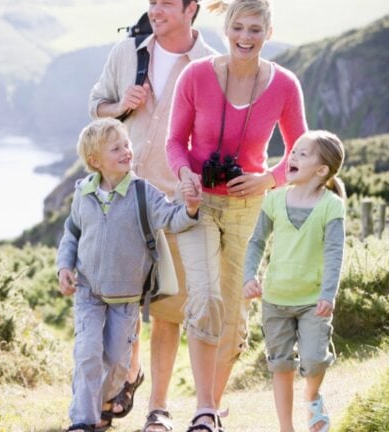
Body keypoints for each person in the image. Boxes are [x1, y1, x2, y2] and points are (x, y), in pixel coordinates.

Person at [165, 0, 307, 429]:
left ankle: (209, 409)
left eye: (255, 30)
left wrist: (267, 179)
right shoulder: (196, 76)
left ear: (268, 32)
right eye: (238, 28)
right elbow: (175, 142)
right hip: (199, 204)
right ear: (226, 28)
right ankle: (205, 408)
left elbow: (302, 153)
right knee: (205, 298)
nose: (246, 37)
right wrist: (186, 174)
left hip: (250, 207)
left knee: (233, 313)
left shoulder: (284, 85)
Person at [87, 1, 216, 430]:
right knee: (119, 301)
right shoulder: (127, 52)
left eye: (165, 2)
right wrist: (119, 104)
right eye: (152, 2)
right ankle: (125, 377)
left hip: (171, 204)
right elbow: (97, 107)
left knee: (167, 310)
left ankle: (156, 409)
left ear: (191, 7)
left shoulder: (209, 66)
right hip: (120, 200)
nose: (155, 9)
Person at [57, 118, 201, 432]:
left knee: (117, 362)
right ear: (95, 161)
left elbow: (169, 217)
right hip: (88, 293)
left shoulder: (142, 192)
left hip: (126, 298)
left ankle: (103, 403)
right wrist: (64, 267)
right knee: (87, 353)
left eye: (126, 144)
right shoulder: (84, 192)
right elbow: (72, 233)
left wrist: (189, 209)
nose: (127, 150)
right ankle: (82, 419)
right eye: (116, 147)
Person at [243, 130, 346, 432]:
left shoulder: (331, 205)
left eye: (303, 153)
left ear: (322, 170)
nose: (293, 156)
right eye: (294, 151)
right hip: (275, 300)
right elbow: (256, 242)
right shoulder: (273, 199)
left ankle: (312, 398)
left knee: (314, 361)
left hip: (314, 301)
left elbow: (334, 253)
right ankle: (286, 428)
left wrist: (329, 293)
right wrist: (250, 275)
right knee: (280, 365)